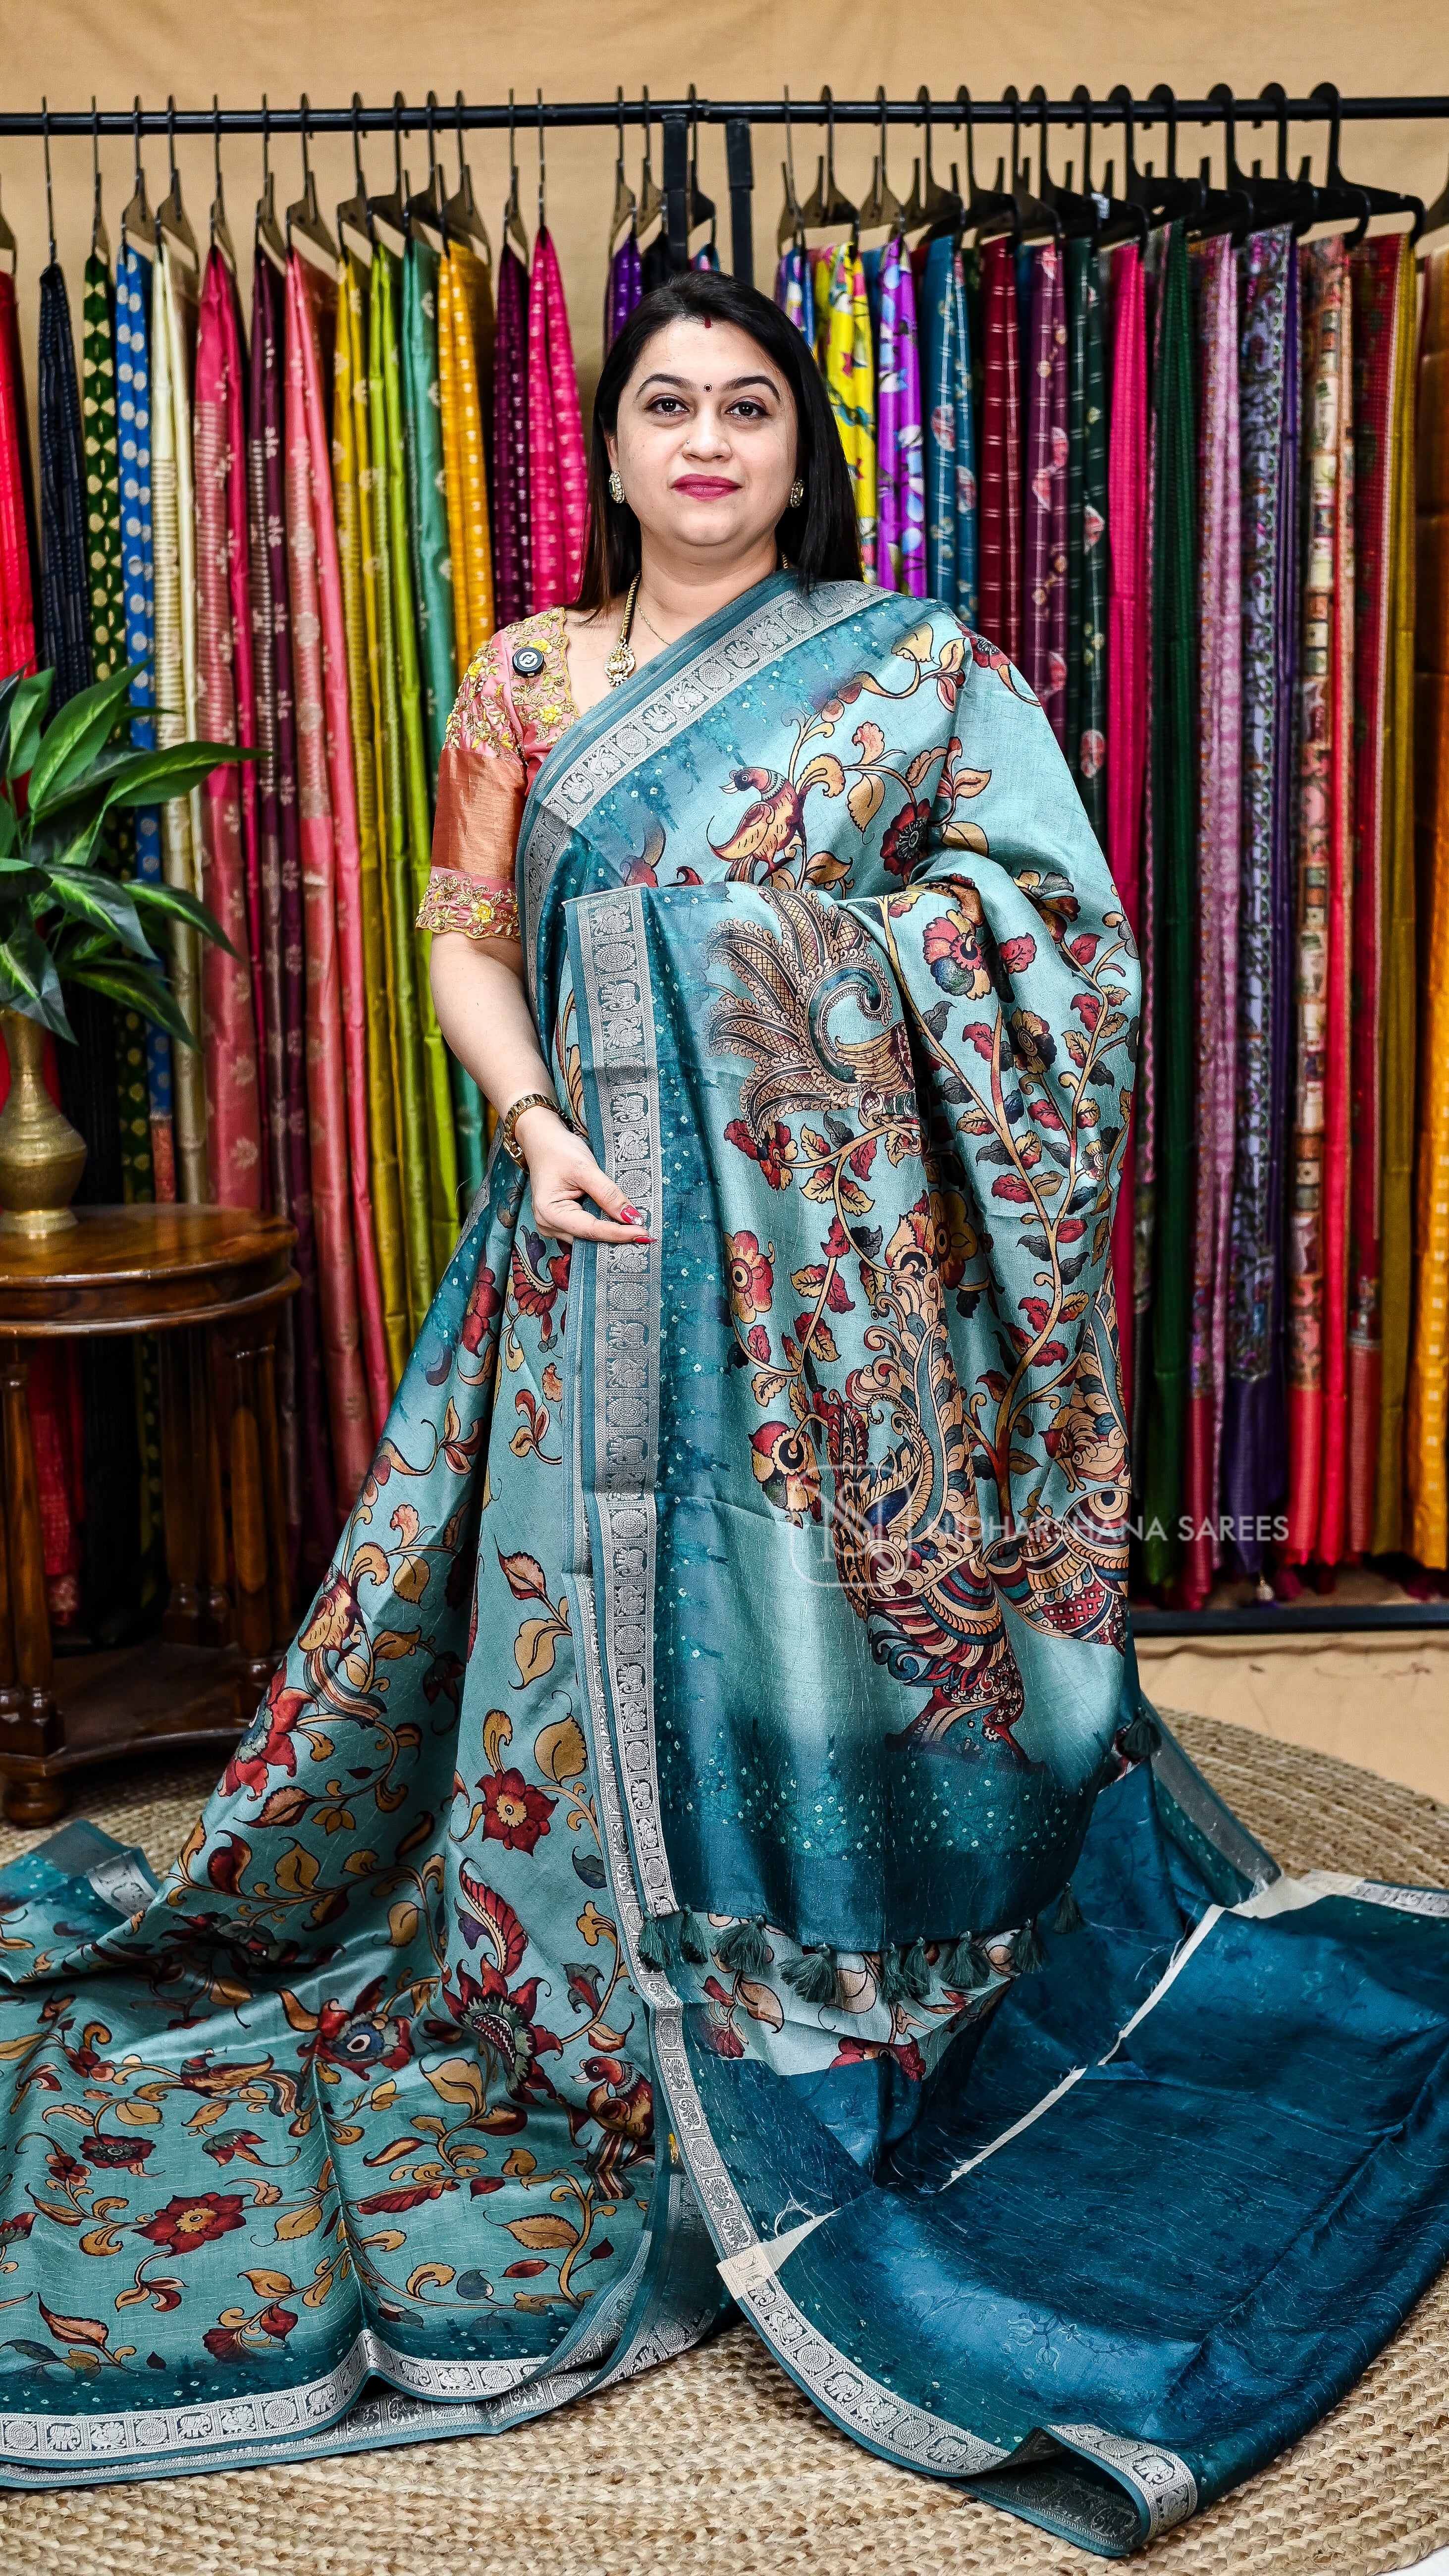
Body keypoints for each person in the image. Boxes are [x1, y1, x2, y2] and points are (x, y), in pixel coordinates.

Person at [3, 275, 1448, 2555]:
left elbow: (1057, 950)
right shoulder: (527, 678)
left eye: (747, 406)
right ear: (612, 443)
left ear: (798, 445)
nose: (705, 440)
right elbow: (463, 930)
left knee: (813, 1656)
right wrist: (535, 1111)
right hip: (585, 1254)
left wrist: (773, 970)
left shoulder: (918, 671)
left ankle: (837, 1978)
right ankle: (577, 2004)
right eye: (666, 404)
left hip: (832, 1309)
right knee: (556, 1655)